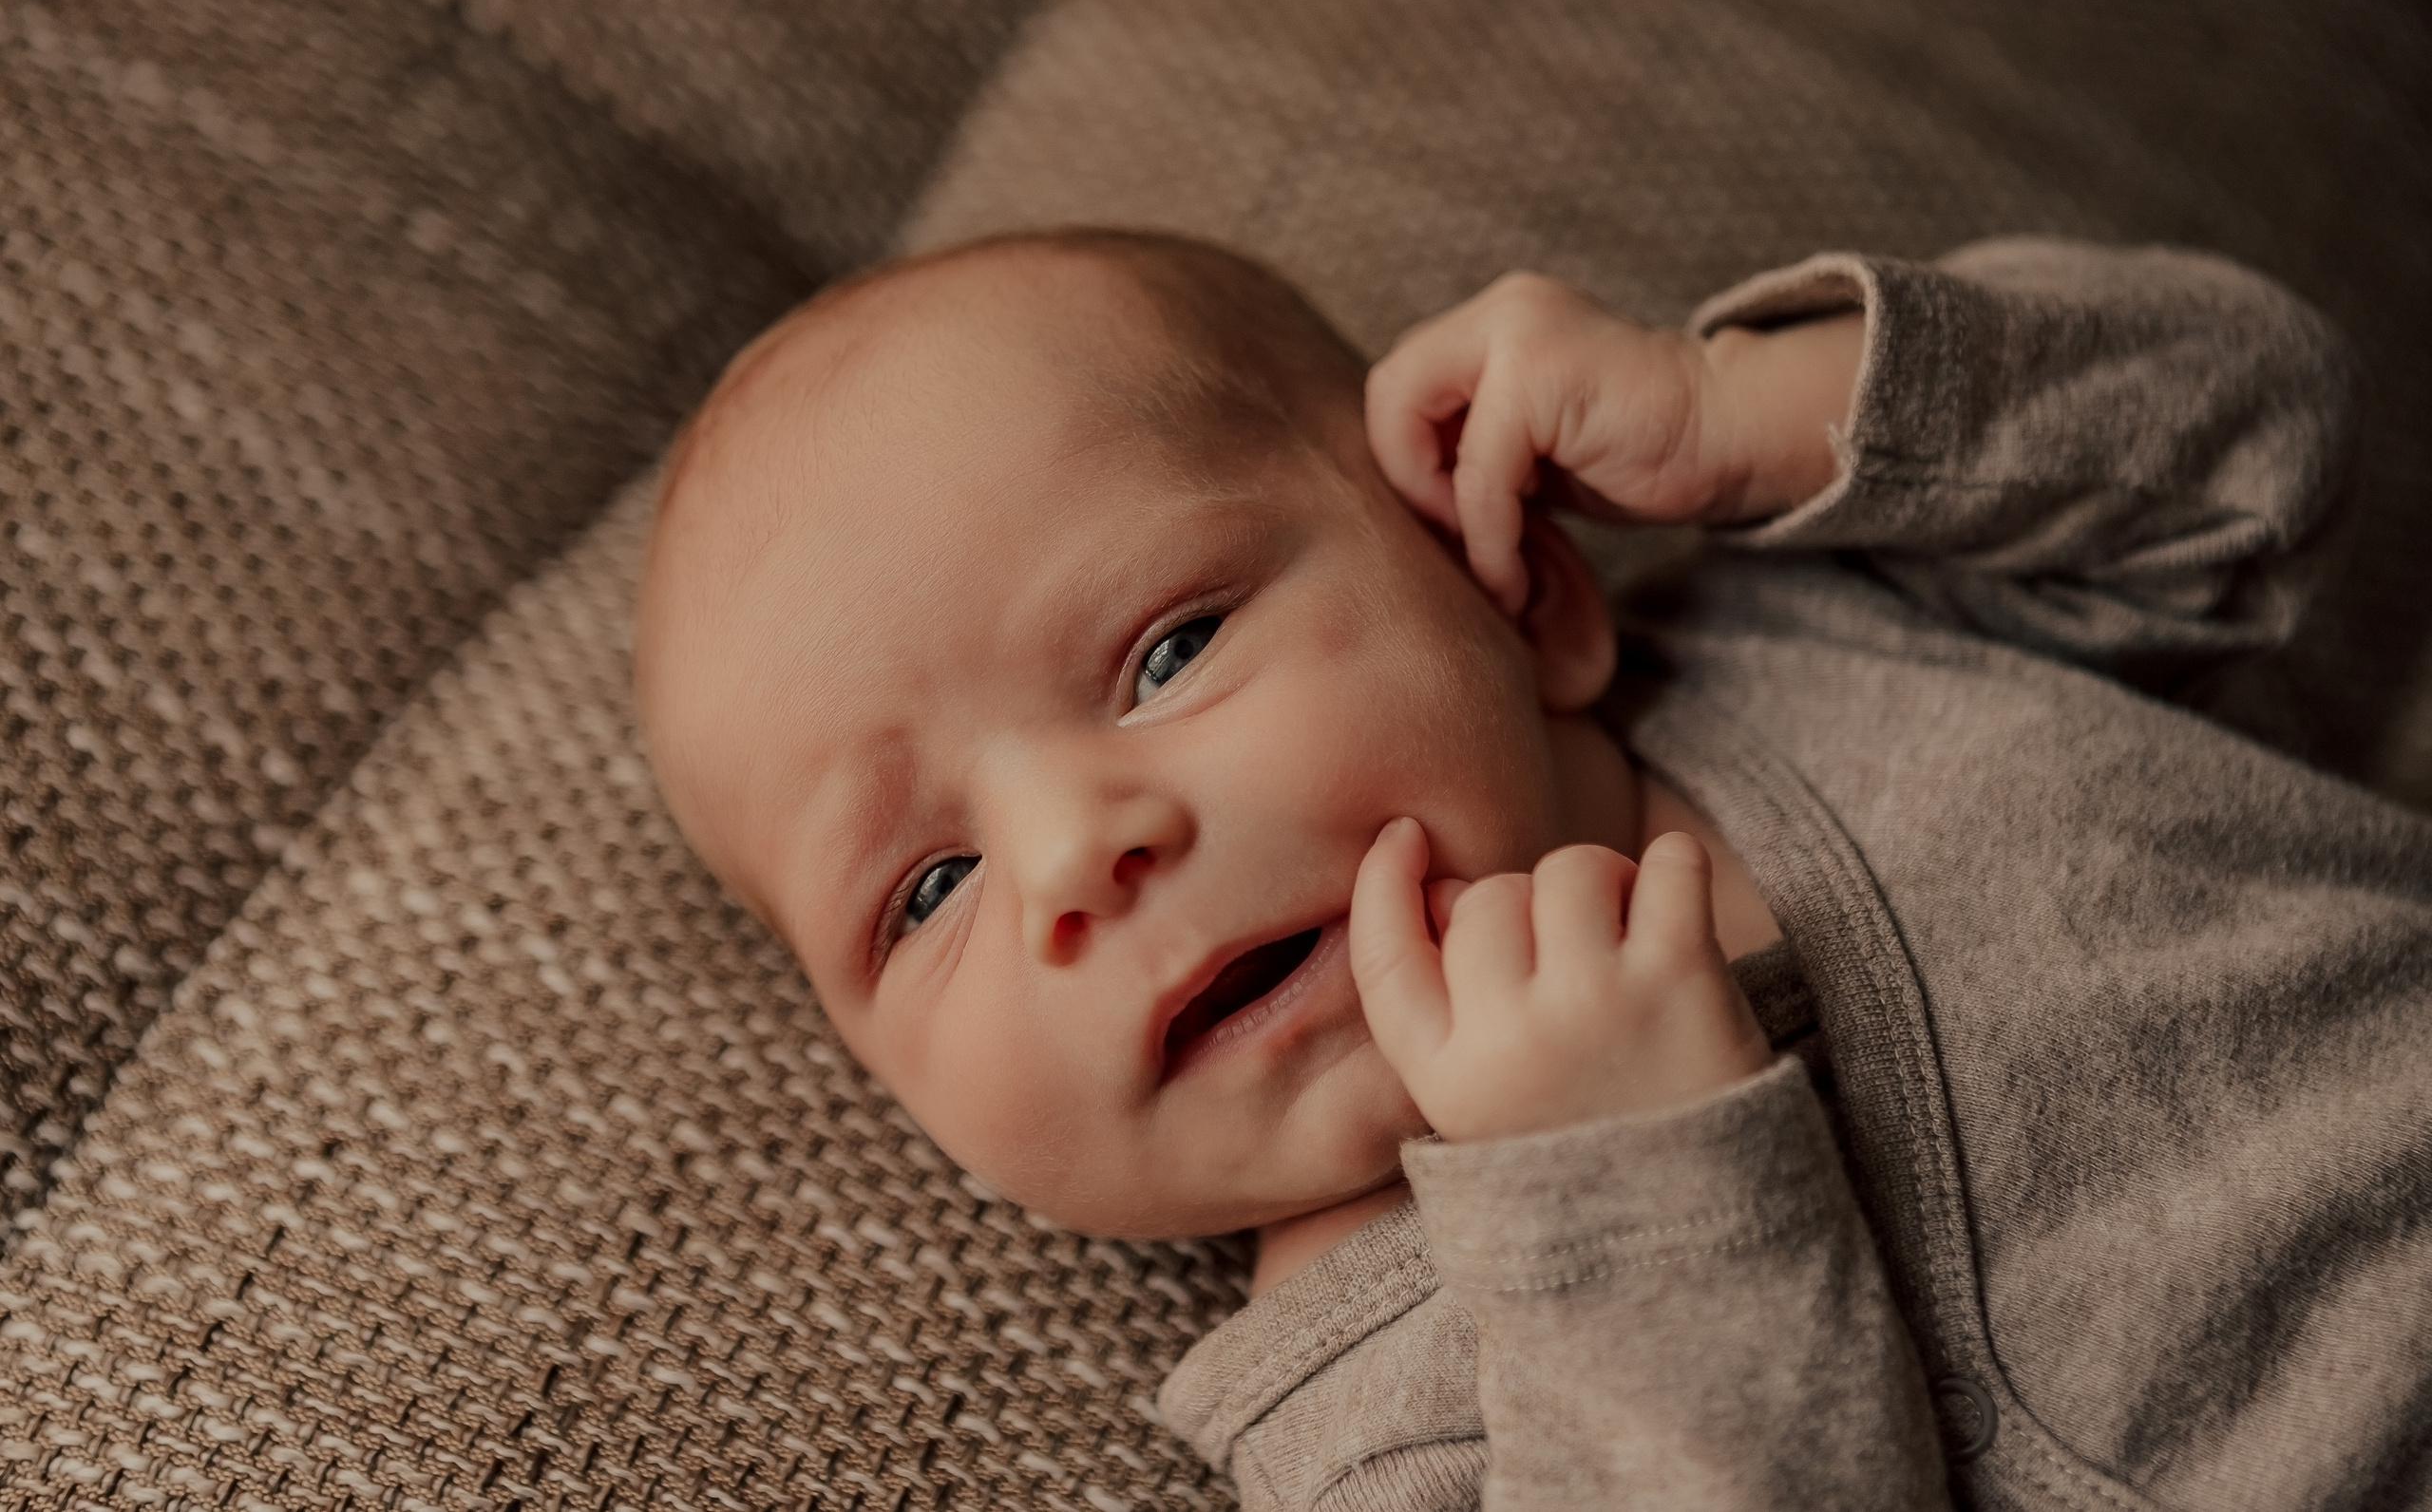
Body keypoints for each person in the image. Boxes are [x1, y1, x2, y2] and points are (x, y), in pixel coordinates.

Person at [631, 227, 2432, 1511]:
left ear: (1522, 589)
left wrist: (1756, 411)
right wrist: (1623, 1196)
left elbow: (2264, 430)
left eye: (1168, 652)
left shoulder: (1837, 619)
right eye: (924, 893)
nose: (1068, 859)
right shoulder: (1383, 1409)